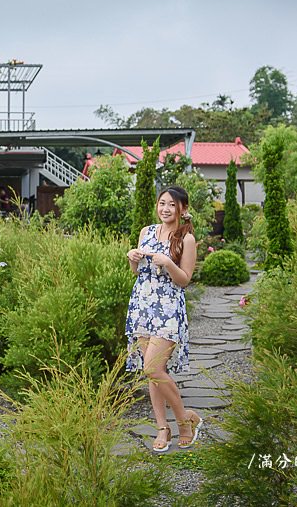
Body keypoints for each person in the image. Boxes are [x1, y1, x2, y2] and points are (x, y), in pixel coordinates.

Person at [125, 186, 202, 452]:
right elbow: (138, 272)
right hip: (142, 305)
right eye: (162, 203)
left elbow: (185, 280)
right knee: (154, 372)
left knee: (152, 368)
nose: (165, 209)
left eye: (171, 204)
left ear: (183, 209)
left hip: (168, 308)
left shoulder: (186, 239)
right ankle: (162, 427)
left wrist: (168, 263)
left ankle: (183, 421)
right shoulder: (146, 232)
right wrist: (132, 258)